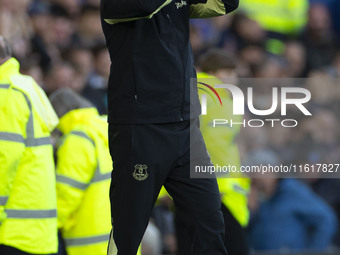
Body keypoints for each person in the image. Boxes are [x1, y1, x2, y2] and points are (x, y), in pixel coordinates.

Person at [100, 1, 239, 254]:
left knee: (210, 223)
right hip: (141, 127)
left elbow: (225, 3)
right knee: (128, 232)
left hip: (186, 127)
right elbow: (144, 6)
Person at [0, 36, 59, 255]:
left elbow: (4, 159)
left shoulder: (6, 93)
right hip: (36, 230)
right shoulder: (26, 85)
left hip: (11, 231)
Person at [49, 88, 112, 255]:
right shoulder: (107, 128)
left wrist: (48, 224)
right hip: (121, 238)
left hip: (88, 241)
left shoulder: (77, 139)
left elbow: (66, 195)